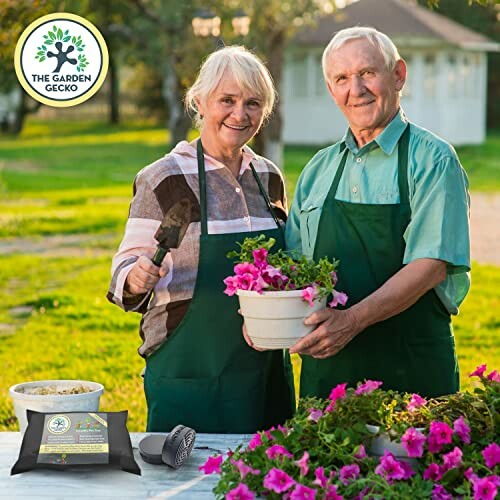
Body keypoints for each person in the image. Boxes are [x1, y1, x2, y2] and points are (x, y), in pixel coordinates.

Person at [107, 46, 295, 433]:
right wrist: (136, 276)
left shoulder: (268, 176)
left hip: (264, 370)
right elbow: (122, 276)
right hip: (188, 370)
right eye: (227, 100)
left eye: (253, 103)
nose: (240, 114)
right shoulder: (164, 178)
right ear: (200, 101)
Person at [285, 27, 470, 399]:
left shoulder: (433, 159)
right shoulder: (318, 170)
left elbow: (430, 264)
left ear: (398, 75)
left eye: (368, 72)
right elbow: (294, 267)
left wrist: (351, 321)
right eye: (342, 78)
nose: (356, 89)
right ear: (331, 89)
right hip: (329, 374)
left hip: (411, 370)